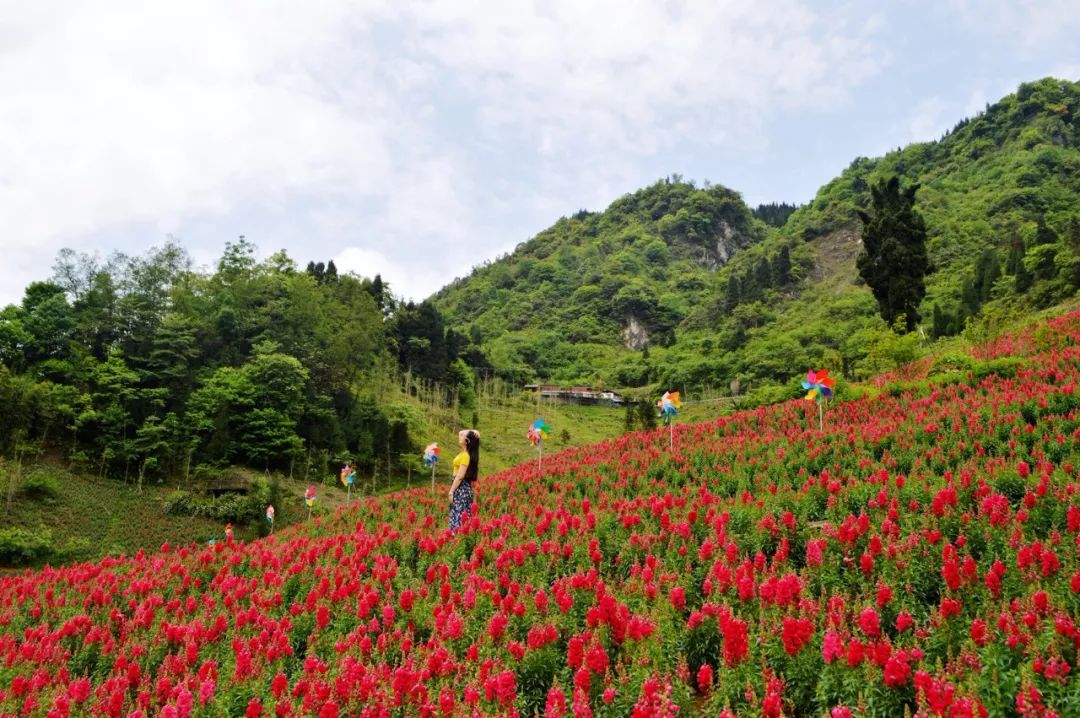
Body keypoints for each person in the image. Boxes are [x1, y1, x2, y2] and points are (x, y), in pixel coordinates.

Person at [449, 429, 479, 531]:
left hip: (461, 488)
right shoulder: (463, 453)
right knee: (457, 515)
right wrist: (472, 431)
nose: (460, 436)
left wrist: (451, 491)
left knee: (459, 517)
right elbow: (460, 432)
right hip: (460, 488)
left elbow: (460, 476)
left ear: (467, 441)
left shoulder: (466, 456)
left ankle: (456, 539)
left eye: (463, 436)